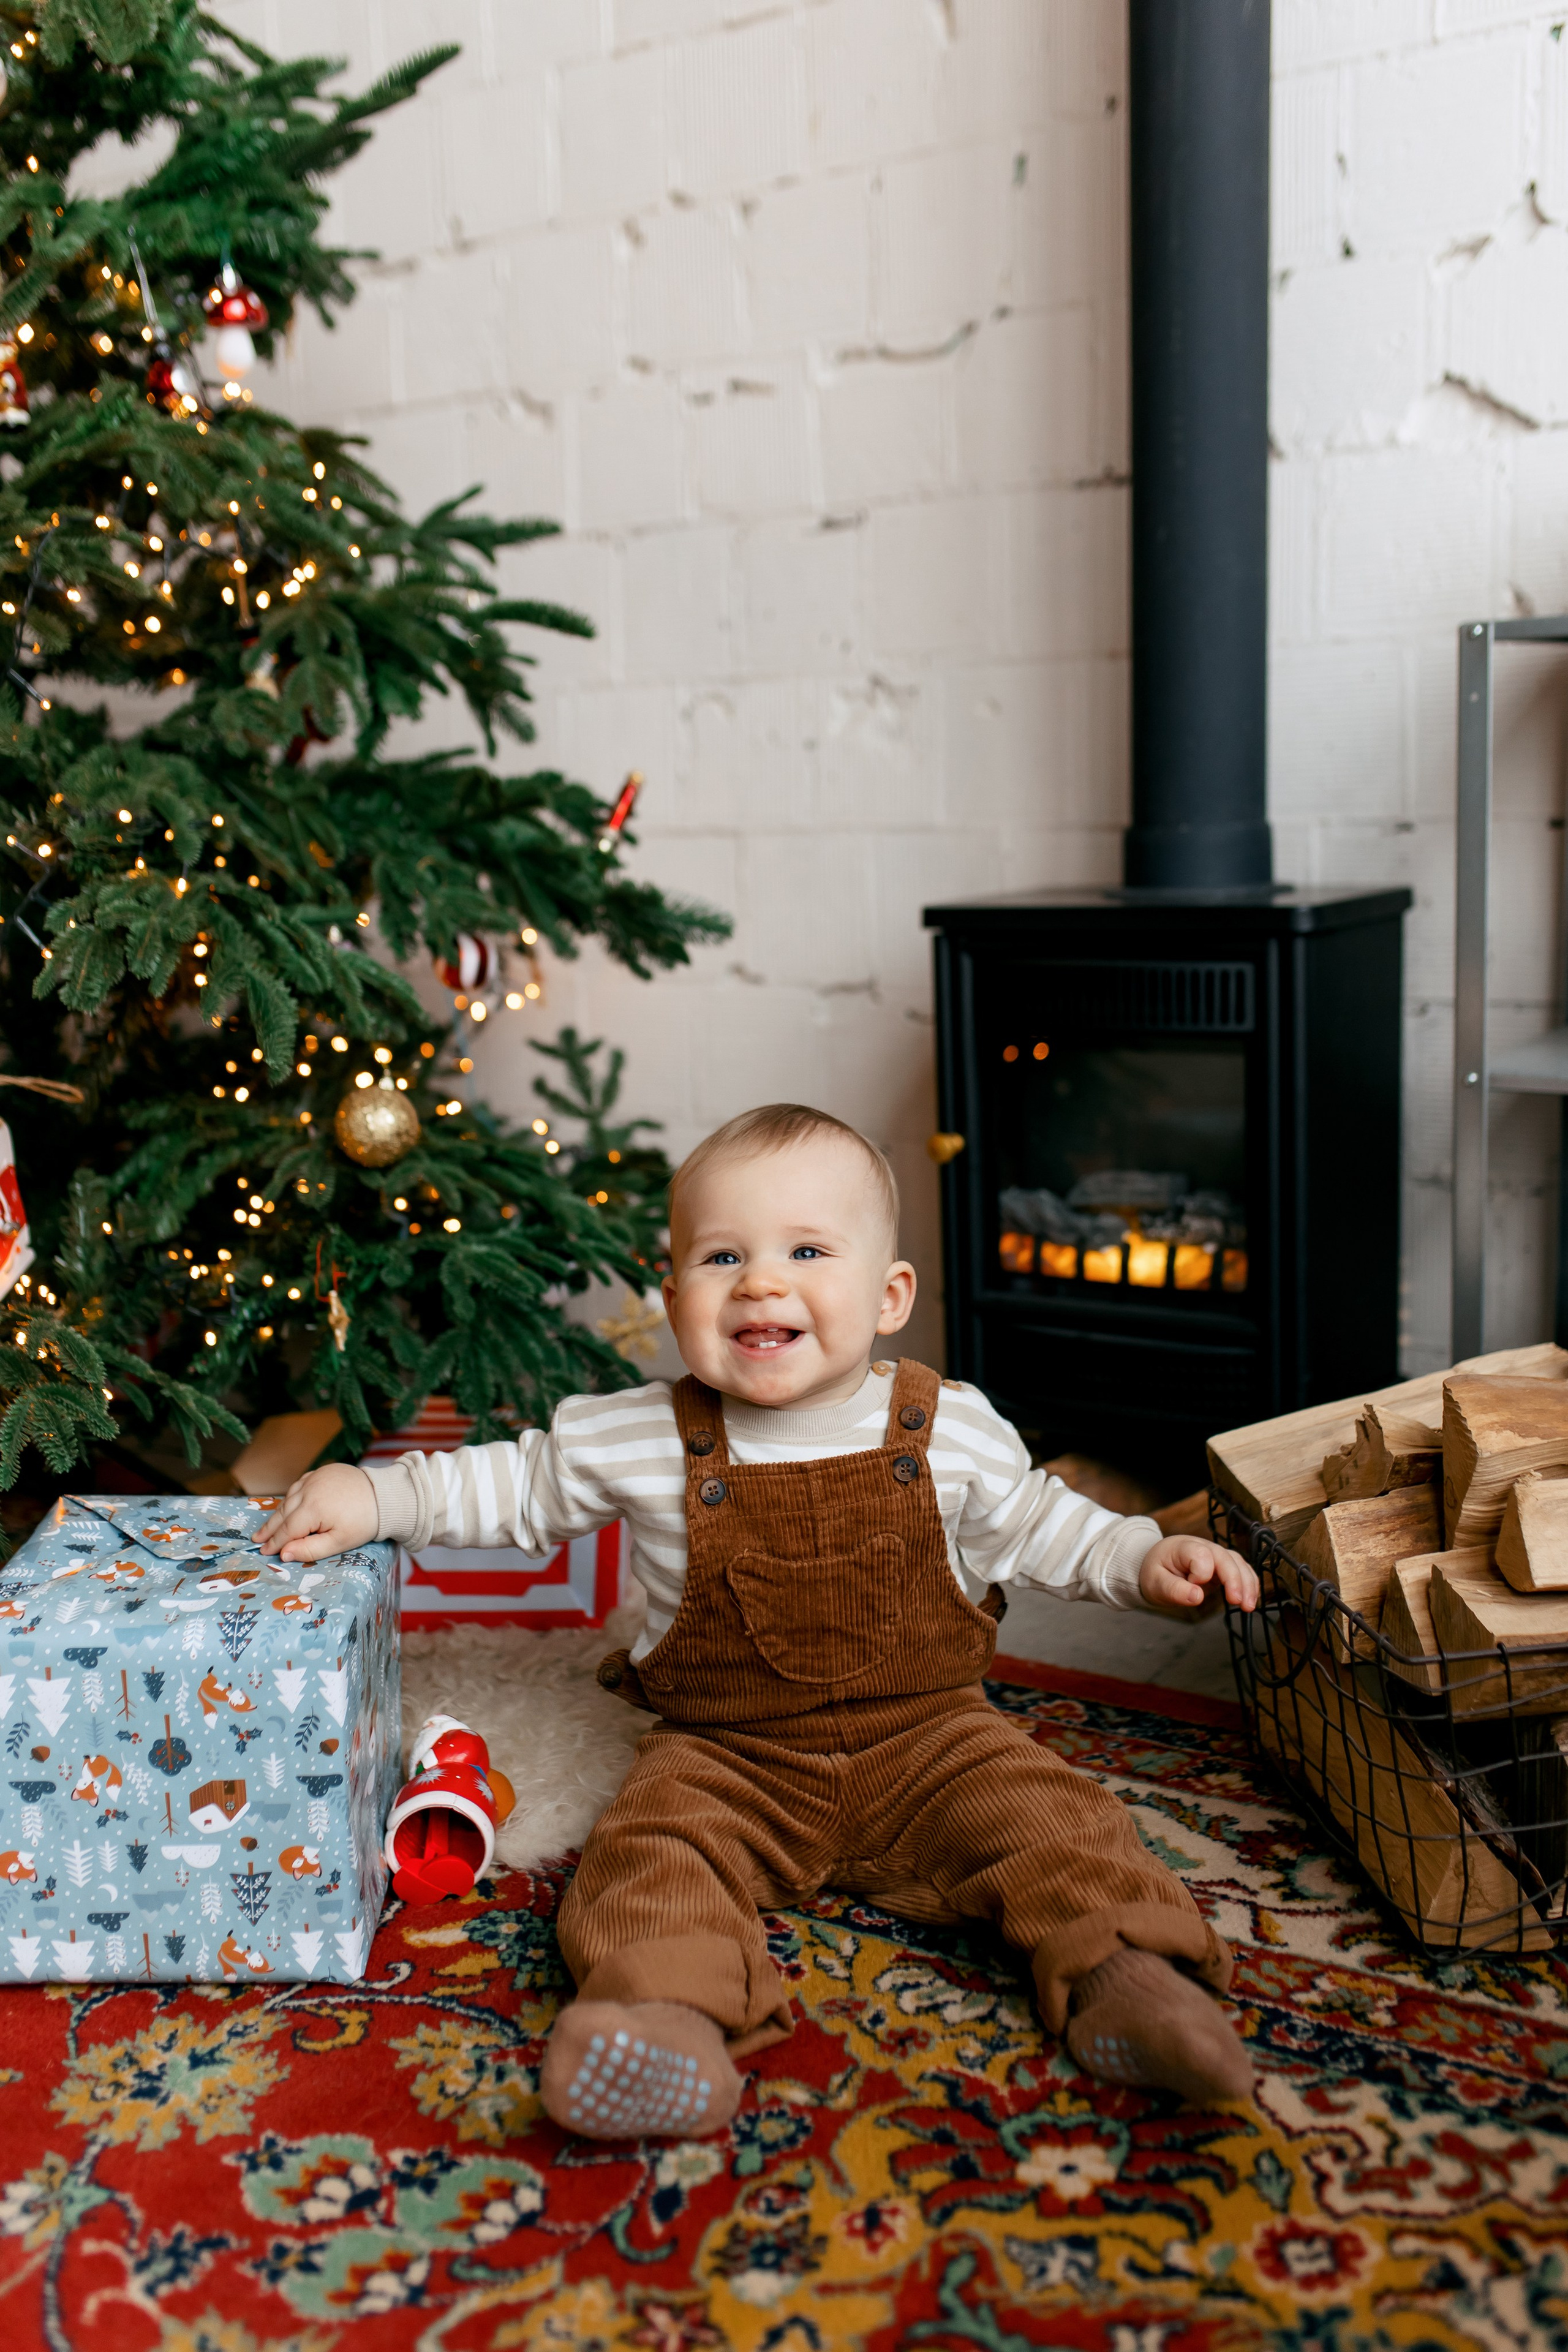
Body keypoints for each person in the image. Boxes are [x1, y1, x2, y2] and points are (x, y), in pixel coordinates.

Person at [262, 1103, 1259, 2139]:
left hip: (935, 1740)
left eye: (808, 1251)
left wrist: (1143, 1558)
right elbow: (516, 1485)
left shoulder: (950, 1427)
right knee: (648, 1862)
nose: (762, 1282)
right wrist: (381, 1499)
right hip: (725, 1754)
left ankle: (1132, 1982)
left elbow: (1049, 1527)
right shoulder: (648, 1431)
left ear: (889, 1296)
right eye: (723, 1255)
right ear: (673, 1297)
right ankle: (660, 2021)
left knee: (1055, 1824)